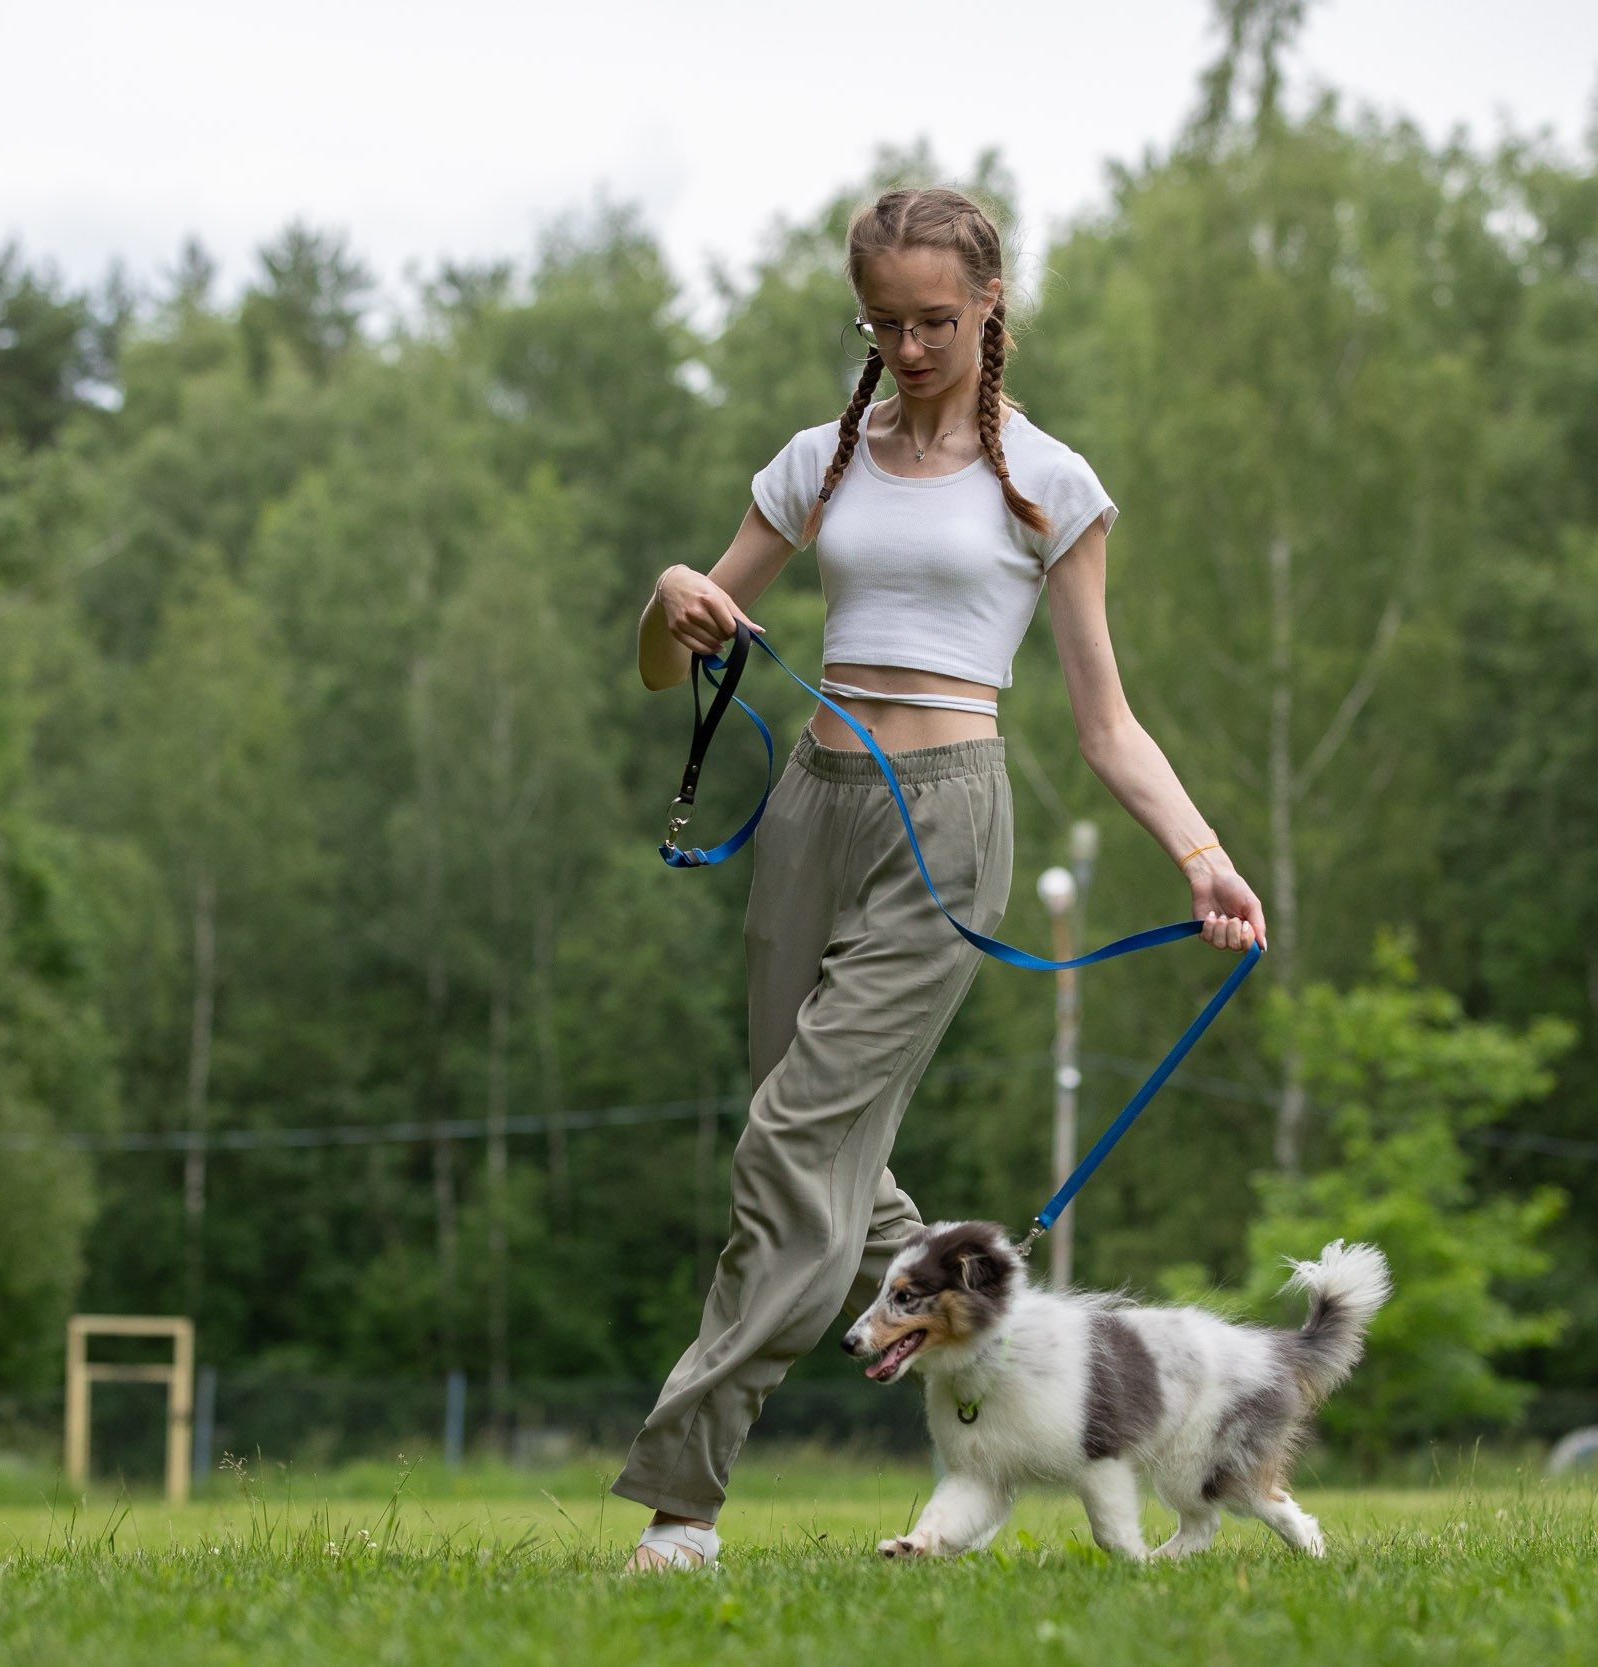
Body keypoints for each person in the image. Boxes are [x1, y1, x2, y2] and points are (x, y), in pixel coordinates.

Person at [619, 186, 1266, 1571]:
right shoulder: (819, 464)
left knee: (789, 1147)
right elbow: (674, 660)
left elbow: (1106, 723)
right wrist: (670, 596)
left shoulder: (1051, 487)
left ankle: (682, 1501)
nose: (910, 350)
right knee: (825, 1152)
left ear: (987, 308)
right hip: (811, 808)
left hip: (950, 826)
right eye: (884, 325)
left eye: (935, 322)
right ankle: (1021, 1366)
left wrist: (1204, 857)